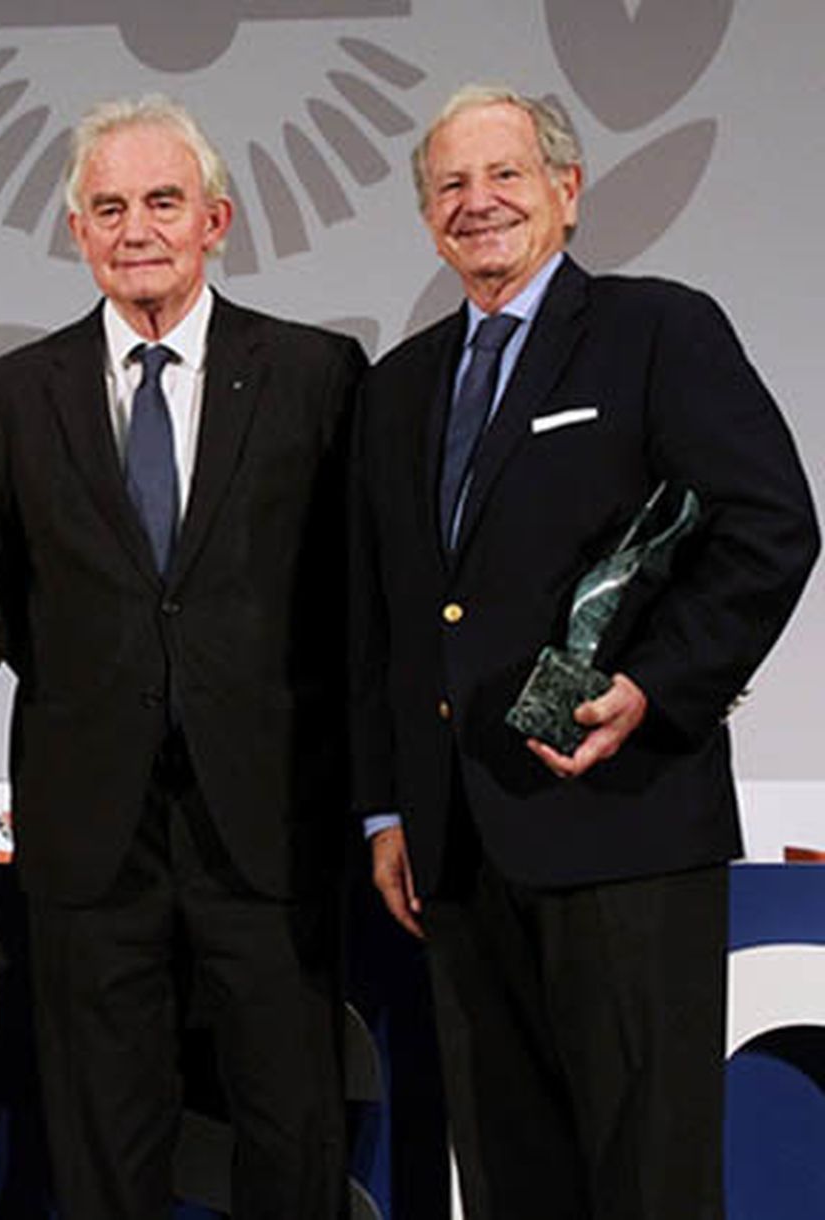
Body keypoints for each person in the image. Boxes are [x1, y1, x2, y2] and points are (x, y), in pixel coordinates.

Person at [350, 84, 819, 1219]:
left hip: (626, 828)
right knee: (511, 1180)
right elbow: (382, 613)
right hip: (459, 855)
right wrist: (387, 809)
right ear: (425, 218)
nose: (478, 204)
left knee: (648, 1179)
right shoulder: (399, 384)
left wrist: (653, 685)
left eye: (505, 175)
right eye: (450, 186)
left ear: (565, 190)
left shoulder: (656, 328)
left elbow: (771, 523)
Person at [0, 95, 363, 1219]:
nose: (134, 228)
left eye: (161, 202)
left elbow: (353, 599)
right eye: (107, 207)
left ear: (215, 219)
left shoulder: (314, 374)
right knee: (101, 1131)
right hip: (91, 825)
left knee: (292, 1123)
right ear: (77, 232)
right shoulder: (10, 395)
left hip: (272, 811)